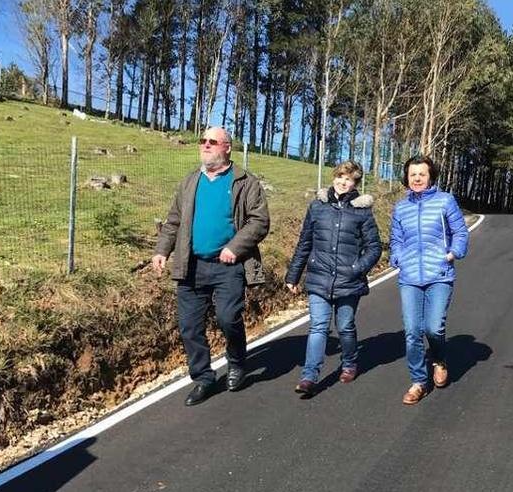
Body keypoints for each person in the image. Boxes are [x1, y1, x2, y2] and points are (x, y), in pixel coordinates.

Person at [153, 126, 270, 407]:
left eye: (212, 142)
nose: (205, 145)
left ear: (227, 147)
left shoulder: (245, 182)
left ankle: (237, 362)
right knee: (189, 327)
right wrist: (161, 251)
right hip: (191, 265)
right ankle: (204, 378)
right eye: (202, 141)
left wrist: (235, 247)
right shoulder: (190, 182)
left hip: (228, 266)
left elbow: (259, 221)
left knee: (228, 318)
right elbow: (174, 222)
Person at [285, 161, 382, 396]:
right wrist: (293, 275)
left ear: (355, 183)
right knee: (318, 326)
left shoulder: (362, 212)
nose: (342, 181)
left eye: (348, 179)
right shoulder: (317, 207)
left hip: (349, 281)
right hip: (319, 278)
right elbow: (305, 242)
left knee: (345, 327)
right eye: (340, 176)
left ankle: (349, 363)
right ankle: (309, 375)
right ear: (334, 177)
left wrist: (356, 269)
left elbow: (374, 248)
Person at [390, 155, 469, 405]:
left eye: (422, 174)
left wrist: (453, 253)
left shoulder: (445, 201)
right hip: (410, 276)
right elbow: (396, 238)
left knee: (433, 327)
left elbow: (460, 231)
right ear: (407, 178)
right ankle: (418, 382)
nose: (417, 178)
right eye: (412, 174)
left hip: (439, 274)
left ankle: (440, 359)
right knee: (412, 331)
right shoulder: (401, 207)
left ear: (430, 176)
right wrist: (397, 256)